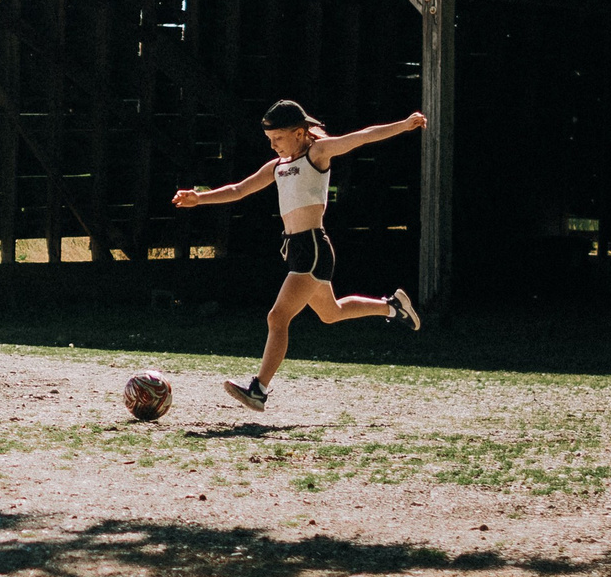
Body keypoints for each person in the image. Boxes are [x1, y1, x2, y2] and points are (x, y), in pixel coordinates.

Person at [171, 99, 426, 412]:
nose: (273, 144)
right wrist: (199, 198)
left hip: (313, 248)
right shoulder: (277, 167)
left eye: (278, 138)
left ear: (300, 133)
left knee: (277, 317)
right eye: (270, 140)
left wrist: (404, 124)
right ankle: (392, 307)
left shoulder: (316, 154)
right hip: (295, 249)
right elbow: (239, 190)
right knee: (331, 313)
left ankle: (259, 390)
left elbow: (361, 137)